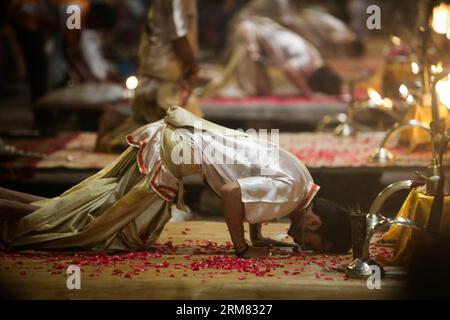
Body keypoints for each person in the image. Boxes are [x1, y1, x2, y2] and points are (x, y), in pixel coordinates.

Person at [0, 106, 351, 257]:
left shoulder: (303, 179)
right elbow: (232, 192)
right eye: (311, 243)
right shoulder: (293, 194)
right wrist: (242, 247)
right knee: (96, 227)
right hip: (168, 156)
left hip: (169, 141)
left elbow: (248, 181)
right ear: (315, 220)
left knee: (85, 206)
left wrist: (260, 236)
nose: (301, 245)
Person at [96, 0, 202, 153]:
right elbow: (177, 35)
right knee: (179, 144)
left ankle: (122, 121)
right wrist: (192, 66)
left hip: (169, 73)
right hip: (162, 78)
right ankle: (116, 125)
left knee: (190, 140)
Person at [203, 16, 342, 97]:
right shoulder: (308, 60)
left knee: (261, 90)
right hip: (250, 37)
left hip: (256, 41)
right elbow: (289, 69)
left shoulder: (313, 57)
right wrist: (306, 92)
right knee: (245, 89)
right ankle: (202, 75)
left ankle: (204, 74)